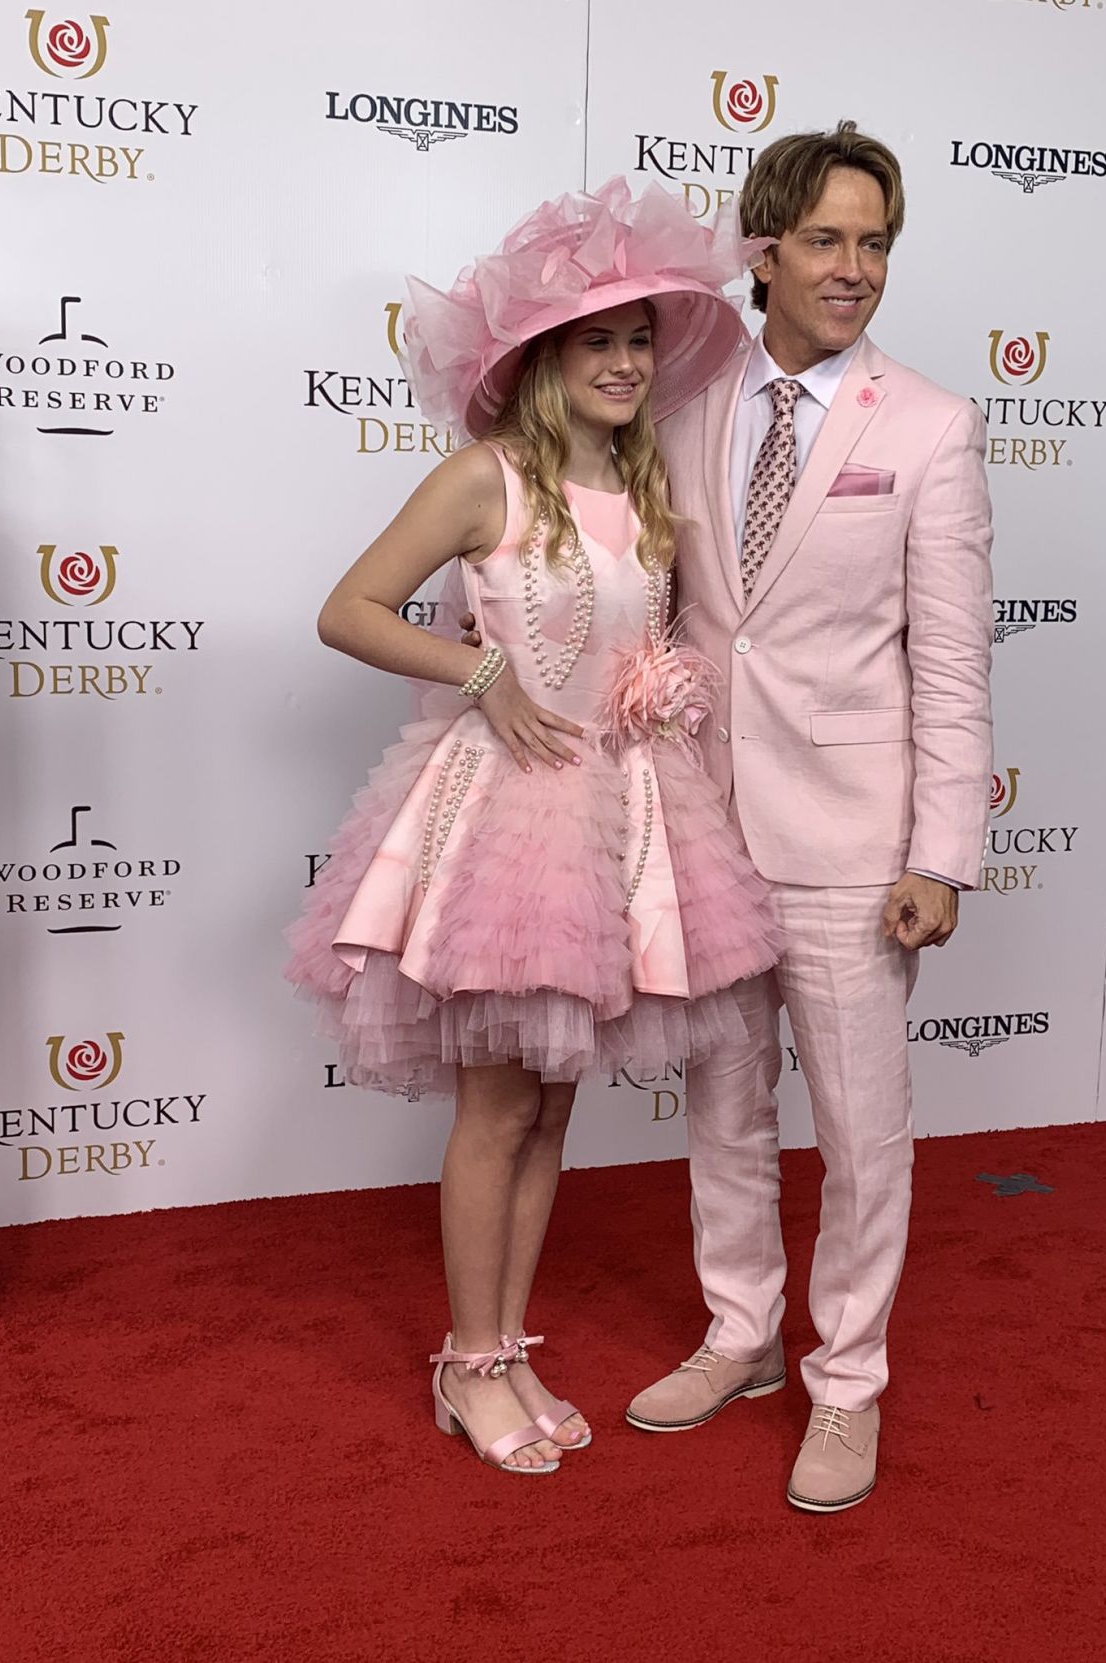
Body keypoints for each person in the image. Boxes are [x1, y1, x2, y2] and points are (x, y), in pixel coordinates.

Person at [284, 179, 779, 1477]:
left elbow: (639, 645)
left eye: (636, 343)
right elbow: (351, 609)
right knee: (497, 1109)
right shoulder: (485, 478)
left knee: (554, 1111)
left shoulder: (643, 486)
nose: (622, 364)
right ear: (541, 360)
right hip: (508, 826)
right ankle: (468, 1361)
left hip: (620, 819)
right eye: (594, 342)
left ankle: (505, 1341)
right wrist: (483, 677)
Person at [618, 122, 993, 1513]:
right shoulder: (680, 402)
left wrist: (940, 854)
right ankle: (742, 1335)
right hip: (708, 827)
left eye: (878, 242)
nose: (857, 269)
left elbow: (951, 664)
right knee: (722, 1107)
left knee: (860, 1130)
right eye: (829, 240)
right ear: (762, 250)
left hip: (855, 839)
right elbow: (657, 617)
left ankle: (848, 1382)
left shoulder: (935, 424)